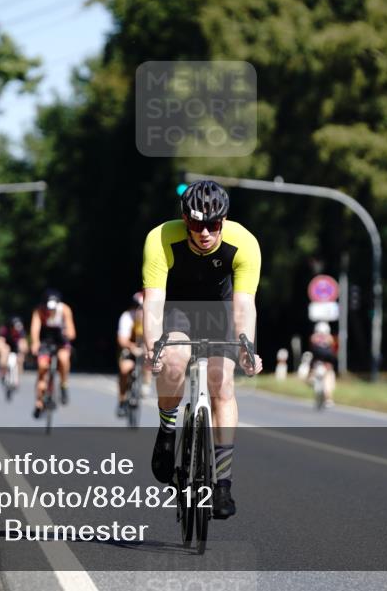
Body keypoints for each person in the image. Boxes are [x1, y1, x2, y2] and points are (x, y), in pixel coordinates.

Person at [142, 180, 263, 519]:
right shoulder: (161, 238)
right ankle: (167, 429)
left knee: (222, 383)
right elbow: (153, 302)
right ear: (185, 220)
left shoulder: (245, 244)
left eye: (213, 225)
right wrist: (154, 347)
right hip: (177, 308)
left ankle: (222, 484)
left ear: (224, 221)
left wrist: (247, 347)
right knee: (174, 359)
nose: (206, 232)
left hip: (220, 310)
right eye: (196, 225)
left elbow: (244, 306)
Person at [30, 289, 76, 418]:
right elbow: (35, 330)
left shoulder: (65, 310)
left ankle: (63, 385)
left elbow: (72, 332)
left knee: (63, 358)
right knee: (42, 367)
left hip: (61, 340)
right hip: (45, 341)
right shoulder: (38, 311)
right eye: (48, 308)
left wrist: (67, 333)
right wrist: (35, 343)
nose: (50, 311)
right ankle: (39, 402)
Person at [117, 291, 148, 418]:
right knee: (124, 369)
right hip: (130, 348)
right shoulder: (126, 317)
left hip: (146, 348)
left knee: (150, 358)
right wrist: (132, 347)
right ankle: (122, 400)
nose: (139, 310)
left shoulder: (152, 318)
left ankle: (145, 384)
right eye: (137, 307)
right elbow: (122, 339)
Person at [309, 321, 338, 405]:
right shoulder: (330, 338)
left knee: (314, 369)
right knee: (329, 376)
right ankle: (328, 398)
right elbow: (334, 350)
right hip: (325, 362)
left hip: (319, 361)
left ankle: (311, 377)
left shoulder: (313, 337)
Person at [0, 316, 28, 384]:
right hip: (7, 344)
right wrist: (1, 348)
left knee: (21, 357)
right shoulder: (5, 329)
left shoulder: (21, 331)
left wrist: (23, 351)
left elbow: (23, 342)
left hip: (16, 346)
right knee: (5, 352)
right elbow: (0, 340)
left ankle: (16, 375)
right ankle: (3, 372)